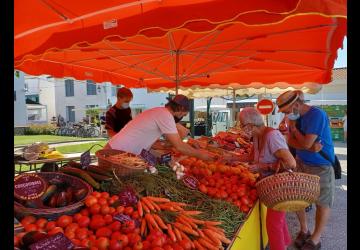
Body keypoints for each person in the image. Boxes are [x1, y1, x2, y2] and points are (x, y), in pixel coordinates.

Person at [276, 90, 335, 250]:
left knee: (322, 202)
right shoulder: (294, 117)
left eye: (287, 110)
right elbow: (288, 141)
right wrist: (300, 142)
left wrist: (294, 133)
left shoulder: (317, 115)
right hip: (300, 161)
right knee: (298, 197)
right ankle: (304, 230)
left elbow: (306, 144)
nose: (286, 114)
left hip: (321, 165)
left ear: (296, 105)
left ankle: (315, 239)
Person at [238, 107, 296, 250]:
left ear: (251, 124)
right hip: (270, 185)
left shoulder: (272, 136)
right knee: (278, 219)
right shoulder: (258, 136)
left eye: (242, 124)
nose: (241, 128)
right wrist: (229, 157)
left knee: (273, 223)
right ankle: (286, 243)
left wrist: (262, 167)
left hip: (279, 185)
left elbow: (291, 163)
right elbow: (251, 157)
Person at [106, 95, 215, 161]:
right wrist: (201, 155)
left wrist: (163, 154)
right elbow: (179, 146)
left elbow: (154, 144)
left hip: (116, 149)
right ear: (181, 109)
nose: (182, 118)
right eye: (184, 114)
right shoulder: (165, 115)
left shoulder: (159, 111)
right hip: (117, 152)